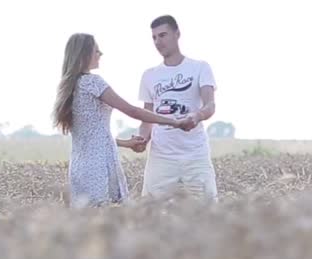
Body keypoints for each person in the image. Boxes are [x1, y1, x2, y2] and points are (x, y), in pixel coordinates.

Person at [52, 32, 196, 208]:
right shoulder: (93, 82)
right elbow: (132, 111)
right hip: (99, 167)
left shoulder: (70, 87)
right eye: (96, 50)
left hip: (80, 167)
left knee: (87, 223)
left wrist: (127, 143)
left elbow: (91, 134)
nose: (100, 54)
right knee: (108, 220)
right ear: (84, 54)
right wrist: (174, 122)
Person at [133, 15, 219, 201]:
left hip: (195, 155)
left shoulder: (200, 68)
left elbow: (210, 105)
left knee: (207, 211)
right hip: (161, 157)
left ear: (177, 34)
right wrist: (142, 138)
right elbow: (147, 117)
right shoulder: (149, 75)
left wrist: (196, 116)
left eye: (163, 35)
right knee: (151, 212)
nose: (158, 41)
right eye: (154, 37)